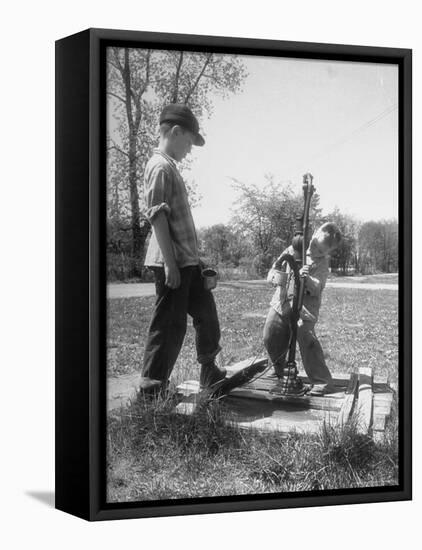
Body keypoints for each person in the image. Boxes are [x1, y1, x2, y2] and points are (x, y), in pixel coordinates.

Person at [138, 103, 226, 396]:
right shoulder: (159, 166)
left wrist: (195, 259)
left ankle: (209, 371)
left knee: (206, 312)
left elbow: (176, 222)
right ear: (175, 132)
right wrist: (170, 264)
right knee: (169, 325)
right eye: (189, 141)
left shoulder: (170, 167)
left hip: (187, 260)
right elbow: (157, 216)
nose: (190, 149)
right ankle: (151, 389)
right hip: (171, 262)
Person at [263, 222, 342, 396]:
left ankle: (322, 382)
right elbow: (273, 270)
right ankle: (279, 370)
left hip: (304, 309)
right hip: (282, 302)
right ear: (312, 235)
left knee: (308, 341)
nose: (315, 251)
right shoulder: (293, 249)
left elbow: (318, 287)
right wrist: (275, 277)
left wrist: (306, 279)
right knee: (270, 333)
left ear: (327, 253)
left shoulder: (322, 264)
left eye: (321, 251)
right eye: (314, 244)